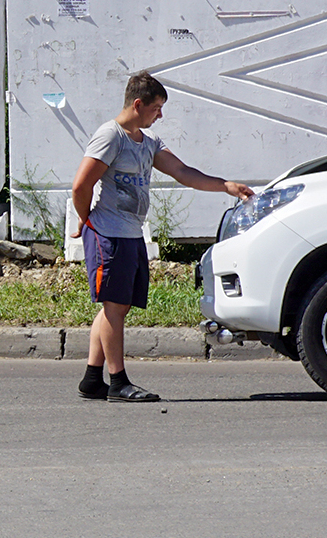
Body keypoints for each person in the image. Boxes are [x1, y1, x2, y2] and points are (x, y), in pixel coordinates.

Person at [69, 71, 252, 403]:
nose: (161, 115)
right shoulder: (111, 136)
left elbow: (182, 172)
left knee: (115, 307)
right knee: (115, 306)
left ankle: (92, 379)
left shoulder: (147, 142)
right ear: (138, 104)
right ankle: (117, 382)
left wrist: (226, 186)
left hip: (129, 233)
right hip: (108, 233)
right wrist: (85, 220)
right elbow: (81, 185)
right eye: (157, 108)